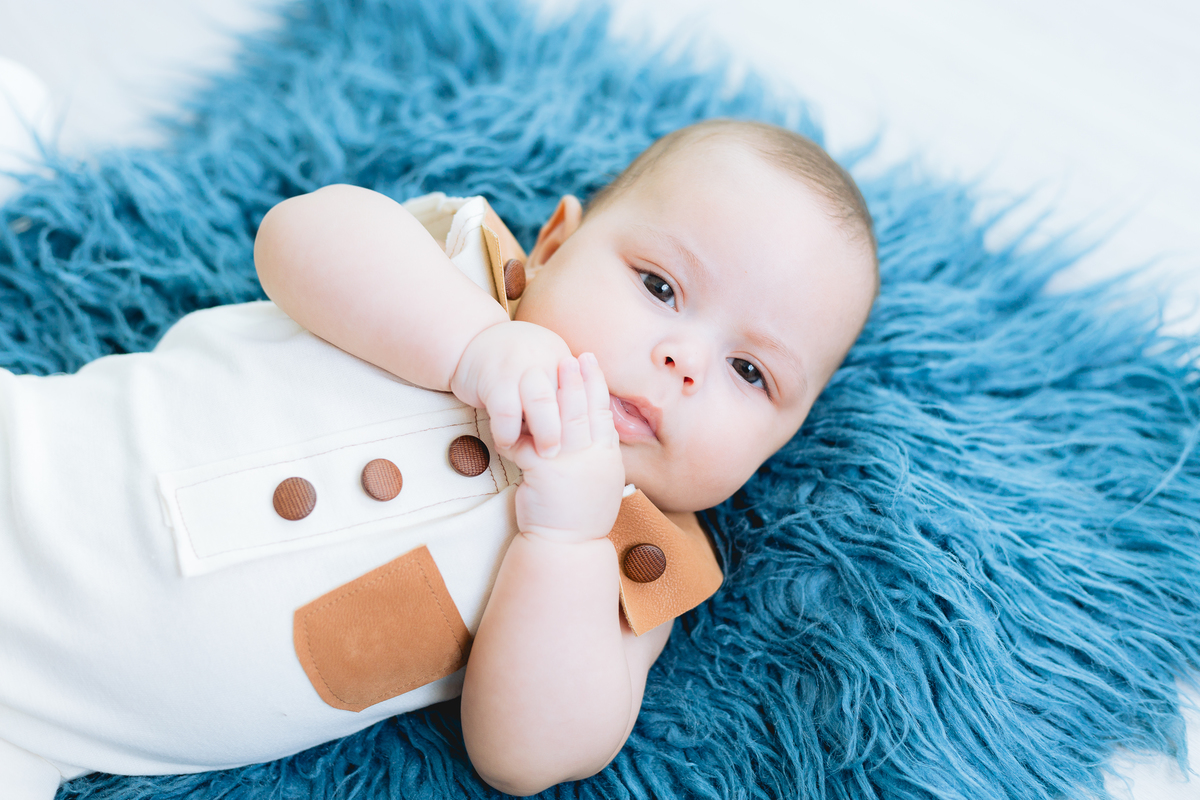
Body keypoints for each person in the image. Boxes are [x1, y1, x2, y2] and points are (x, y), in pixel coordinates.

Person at [0, 119, 876, 799]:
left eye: (750, 371)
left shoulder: (632, 569)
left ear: (781, 442)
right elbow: (298, 236)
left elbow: (527, 754)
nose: (684, 361)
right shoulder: (461, 272)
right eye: (659, 287)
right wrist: (473, 349)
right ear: (554, 247)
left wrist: (564, 540)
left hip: (32, 721)